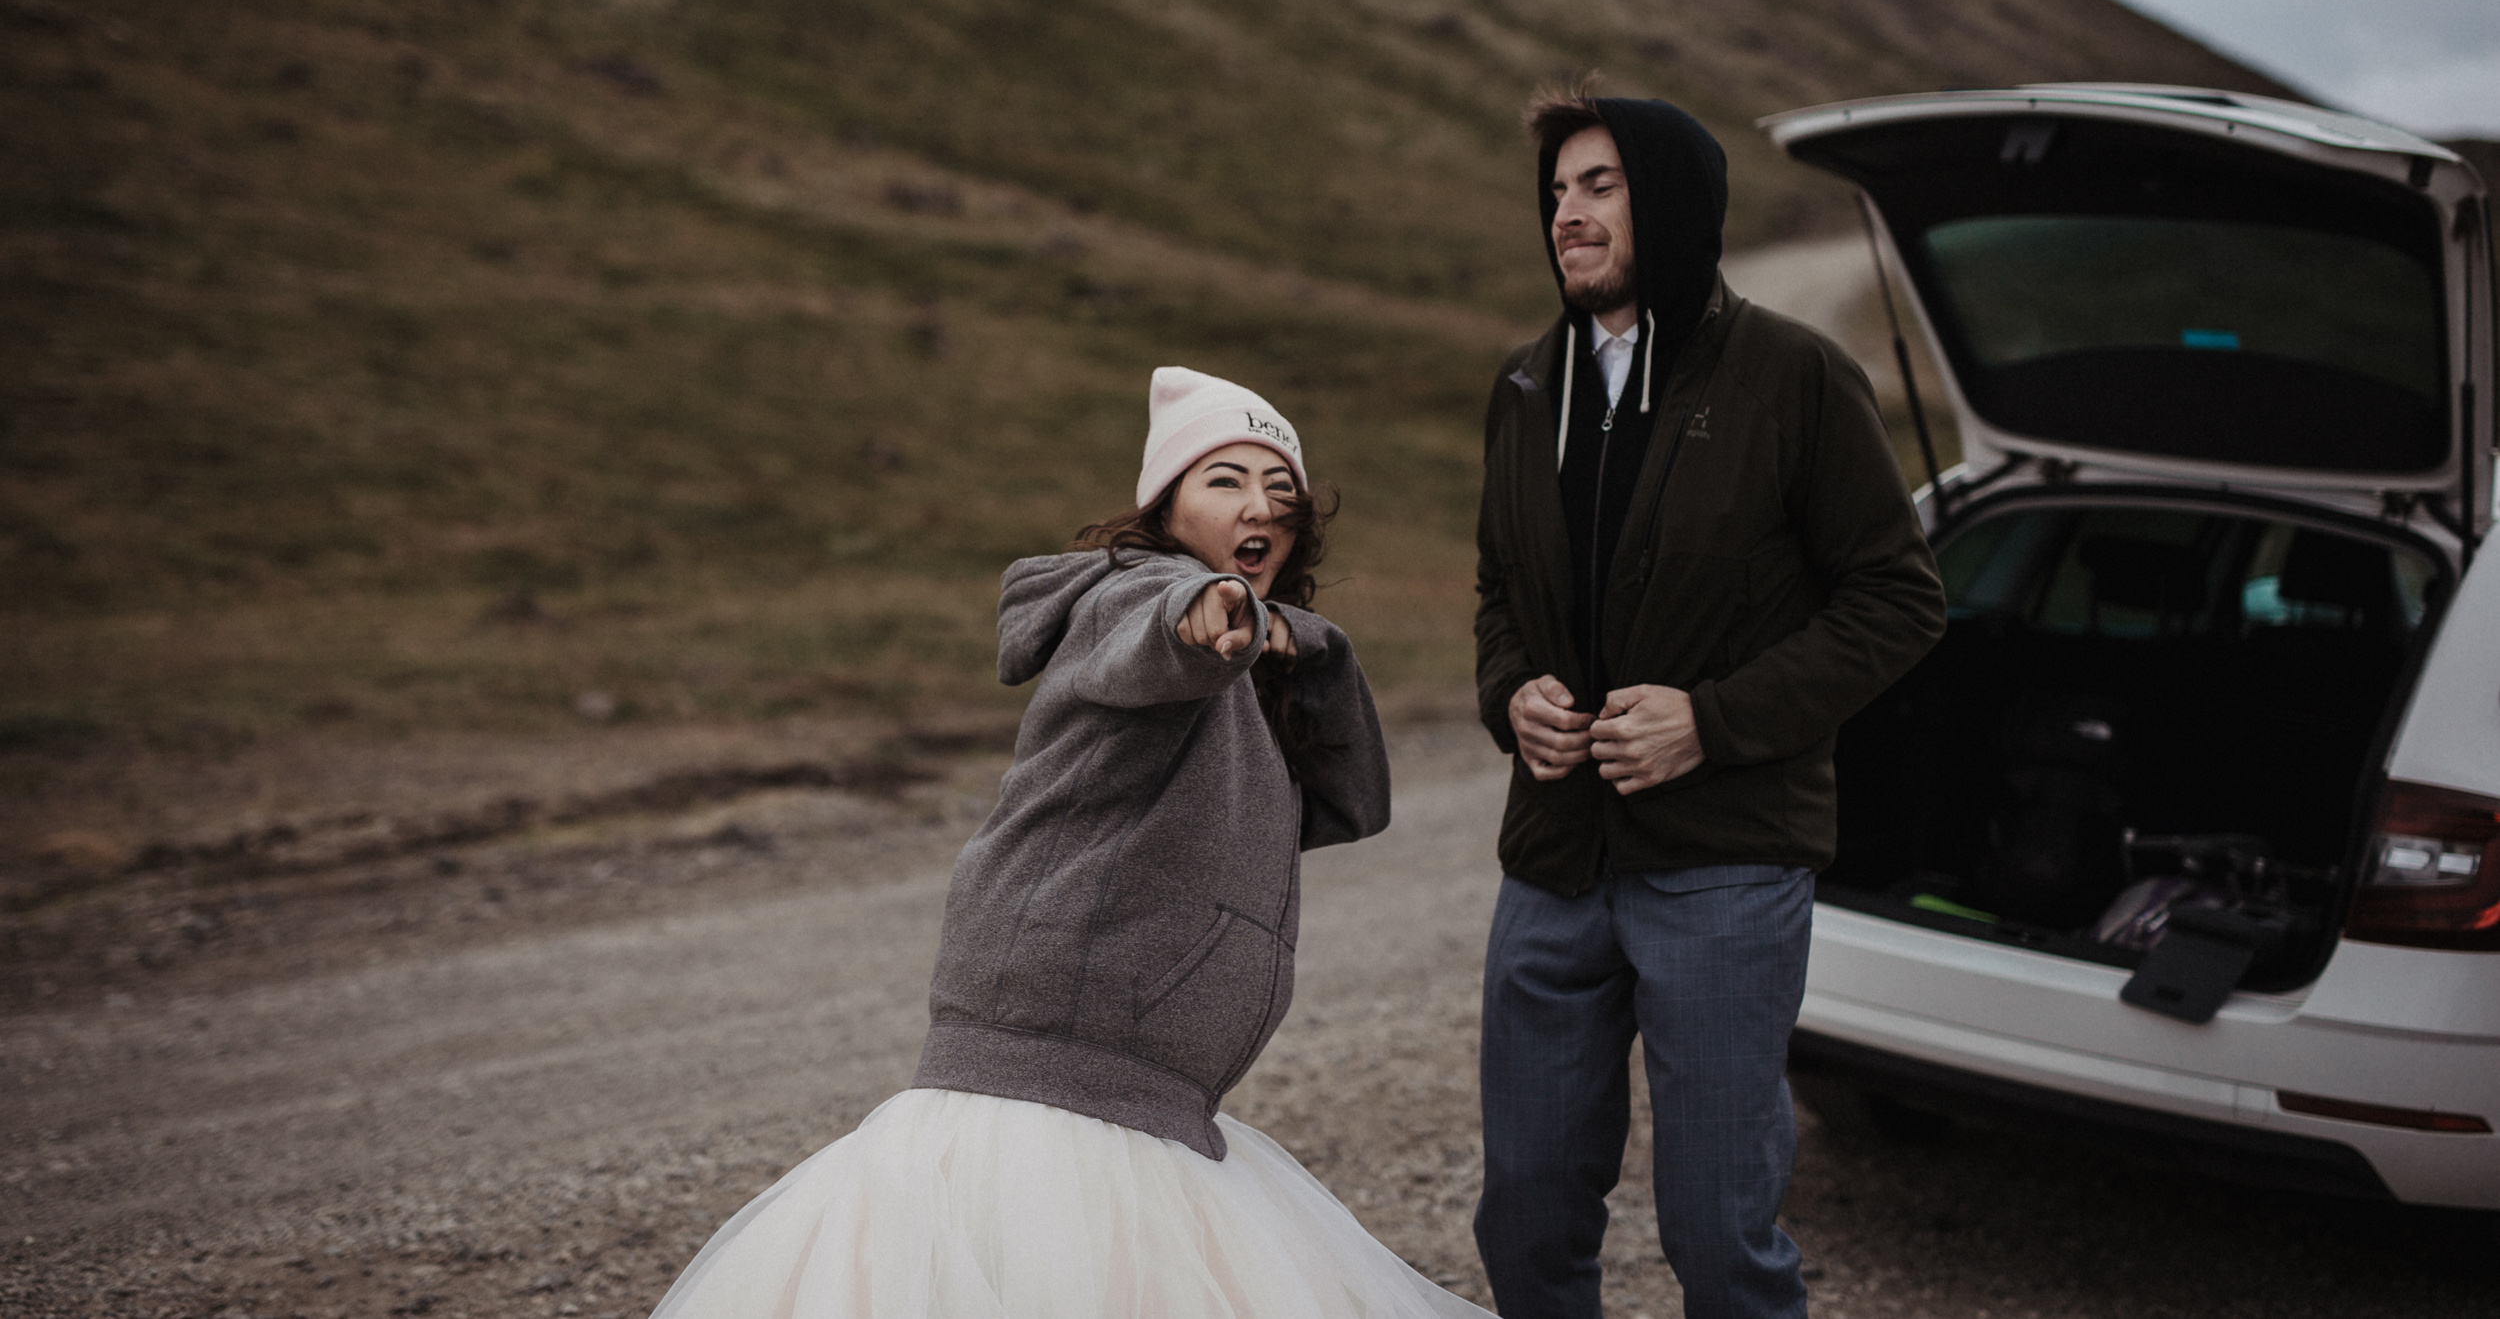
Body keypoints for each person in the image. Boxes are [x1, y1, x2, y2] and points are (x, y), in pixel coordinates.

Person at [650, 366, 1489, 1319]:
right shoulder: (1128, 594)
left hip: (1149, 1090)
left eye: (1279, 489)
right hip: (1056, 1071)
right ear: (1166, 504)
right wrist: (1203, 612)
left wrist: (1308, 647)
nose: (1259, 505)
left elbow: (1354, 800)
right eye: (1225, 479)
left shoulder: (1256, 670)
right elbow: (1153, 630)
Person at [1470, 89, 1948, 1319]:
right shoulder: (1525, 384)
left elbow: (1898, 599)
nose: (1567, 214)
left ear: (1673, 201)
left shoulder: (1795, 376)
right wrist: (1508, 692)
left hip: (1725, 864)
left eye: (1600, 185)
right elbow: (1499, 591)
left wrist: (1711, 721)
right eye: (1557, 191)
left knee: (1716, 1231)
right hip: (1552, 860)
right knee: (1524, 1216)